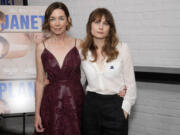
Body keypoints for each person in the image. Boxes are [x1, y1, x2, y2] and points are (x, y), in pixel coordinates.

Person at [81, 8, 137, 135]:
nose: (100, 27)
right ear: (90, 25)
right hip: (90, 107)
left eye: (105, 23)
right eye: (96, 22)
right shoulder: (83, 51)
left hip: (115, 106)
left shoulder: (122, 48)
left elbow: (131, 84)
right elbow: (79, 80)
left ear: (110, 28)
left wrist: (125, 110)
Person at [34, 2, 84, 135]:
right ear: (48, 22)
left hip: (75, 102)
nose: (57, 23)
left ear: (68, 20)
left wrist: (115, 87)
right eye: (52, 19)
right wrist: (37, 113)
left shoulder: (79, 44)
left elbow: (94, 72)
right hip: (50, 104)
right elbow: (39, 82)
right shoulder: (41, 47)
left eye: (61, 18)